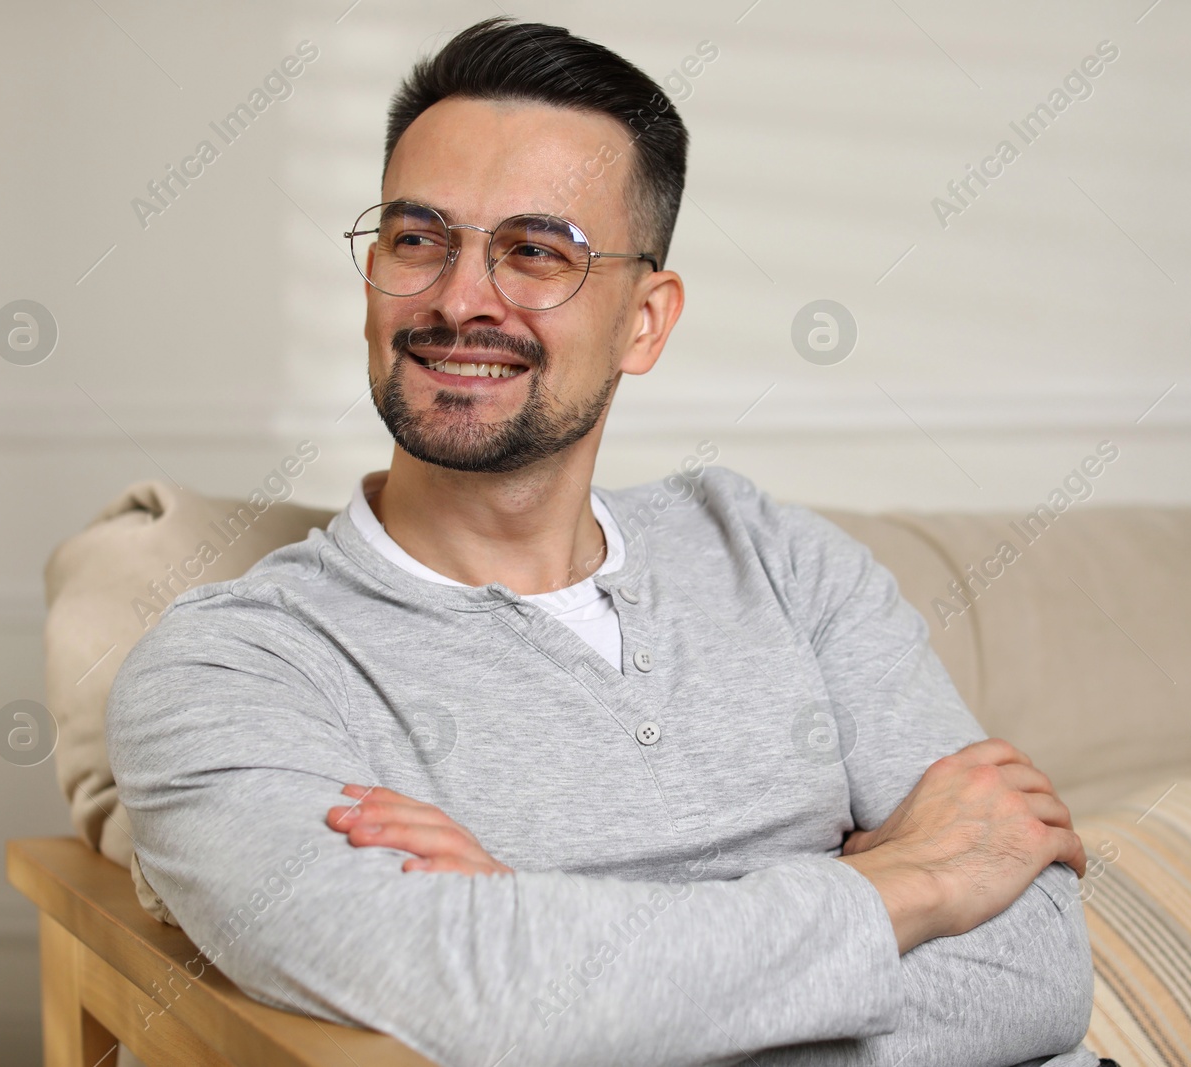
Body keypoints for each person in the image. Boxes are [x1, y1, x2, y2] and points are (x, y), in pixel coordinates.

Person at [106, 17, 1108, 1067]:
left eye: (536, 252)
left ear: (645, 321)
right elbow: (464, 983)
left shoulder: (779, 558)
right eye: (417, 239)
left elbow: (1033, 969)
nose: (458, 297)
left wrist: (552, 941)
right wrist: (913, 883)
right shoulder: (233, 665)